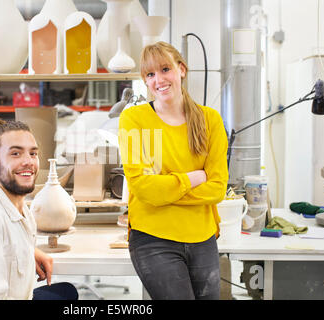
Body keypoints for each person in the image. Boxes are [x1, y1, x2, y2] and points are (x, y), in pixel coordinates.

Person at [118, 41, 229, 300]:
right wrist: (193, 178)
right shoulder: (134, 119)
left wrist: (165, 190)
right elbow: (143, 189)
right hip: (152, 238)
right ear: (145, 81)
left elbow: (217, 188)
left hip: (202, 237)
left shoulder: (209, 120)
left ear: (182, 70)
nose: (159, 80)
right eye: (150, 74)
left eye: (165, 69)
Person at [0, 116, 78, 300]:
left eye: (33, 153)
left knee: (67, 292)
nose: (28, 162)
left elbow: (4, 244)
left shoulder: (17, 206)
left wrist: (27, 252)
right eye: (16, 154)